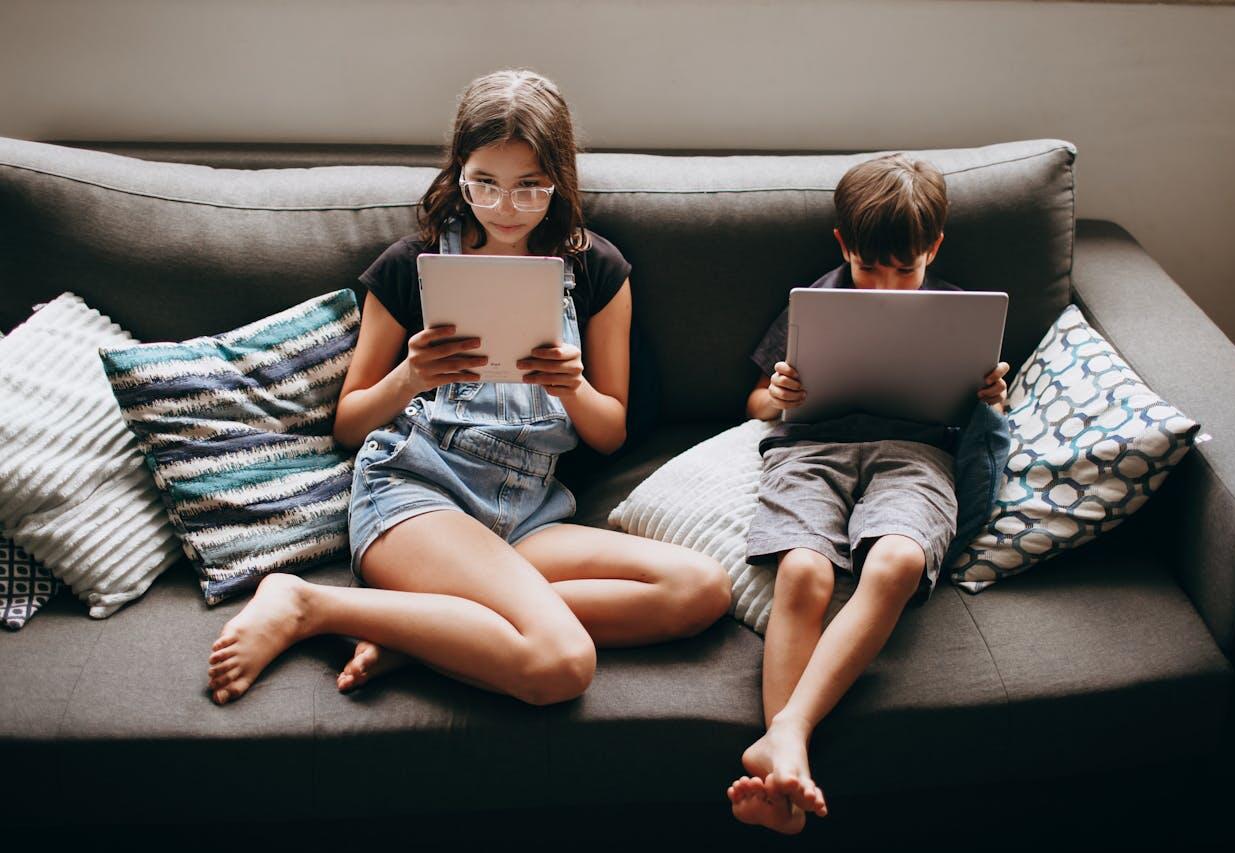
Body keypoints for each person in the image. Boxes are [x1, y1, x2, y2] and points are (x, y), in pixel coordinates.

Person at [207, 69, 730, 707]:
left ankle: (425, 632)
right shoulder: (410, 265)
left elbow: (610, 429)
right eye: (484, 184)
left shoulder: (597, 268)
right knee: (560, 663)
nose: (505, 208)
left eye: (529, 188)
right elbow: (348, 424)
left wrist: (572, 387)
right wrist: (410, 376)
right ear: (459, 173)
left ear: (560, 181)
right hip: (418, 492)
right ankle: (309, 603)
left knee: (700, 588)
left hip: (527, 508)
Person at [726, 154, 1010, 834]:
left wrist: (993, 394)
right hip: (811, 448)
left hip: (916, 454)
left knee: (897, 562)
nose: (886, 284)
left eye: (904, 270)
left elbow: (987, 411)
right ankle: (786, 788)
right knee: (802, 569)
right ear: (842, 245)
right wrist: (778, 394)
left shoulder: (959, 312)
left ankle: (786, 735)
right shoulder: (814, 299)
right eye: (868, 267)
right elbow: (756, 399)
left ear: (933, 248)